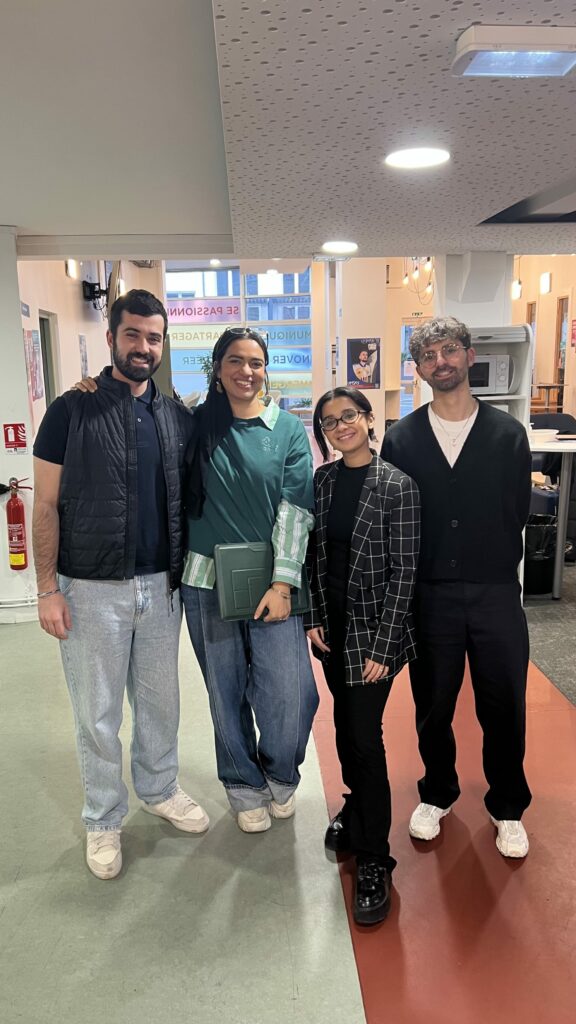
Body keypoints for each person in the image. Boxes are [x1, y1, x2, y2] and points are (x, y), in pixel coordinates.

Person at [32, 289, 208, 881]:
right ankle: (104, 818)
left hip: (162, 587)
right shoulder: (70, 410)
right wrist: (47, 587)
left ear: (163, 344)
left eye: (154, 337)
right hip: (90, 587)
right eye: (132, 334)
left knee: (161, 704)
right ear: (112, 337)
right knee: (97, 712)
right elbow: (46, 506)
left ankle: (159, 789)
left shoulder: (175, 415)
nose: (143, 347)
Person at [381, 316, 532, 858]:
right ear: (418, 369)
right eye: (428, 355)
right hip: (430, 595)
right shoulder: (400, 439)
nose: (440, 361)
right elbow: (394, 518)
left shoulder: (508, 435)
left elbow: (516, 510)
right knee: (432, 702)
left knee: (504, 703)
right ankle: (437, 791)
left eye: (449, 350)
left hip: (494, 592)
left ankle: (508, 805)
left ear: (468, 355)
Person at [180, 327, 319, 833]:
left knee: (293, 693)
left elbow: (296, 508)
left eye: (256, 362)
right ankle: (242, 785)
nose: (246, 370)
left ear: (267, 369)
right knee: (226, 689)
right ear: (217, 369)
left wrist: (283, 584)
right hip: (205, 581)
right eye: (235, 361)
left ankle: (281, 772)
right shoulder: (193, 425)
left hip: (272, 585)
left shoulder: (286, 430)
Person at [305, 387, 420, 925]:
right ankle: (355, 807)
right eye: (330, 421)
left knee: (364, 736)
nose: (340, 426)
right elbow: (312, 556)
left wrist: (385, 645)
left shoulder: (398, 486)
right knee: (346, 731)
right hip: (333, 631)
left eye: (348, 416)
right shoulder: (323, 481)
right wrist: (312, 615)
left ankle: (375, 857)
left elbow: (405, 574)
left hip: (375, 638)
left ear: (368, 420)